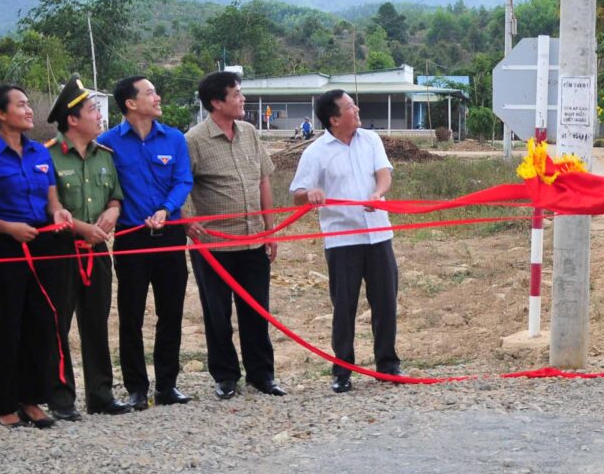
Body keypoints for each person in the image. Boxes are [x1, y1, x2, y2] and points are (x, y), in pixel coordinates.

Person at [0, 84, 73, 429]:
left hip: (43, 242)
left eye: (29, 105)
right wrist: (10, 228)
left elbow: (52, 201)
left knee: (40, 323)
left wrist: (58, 214)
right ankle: (4, 404)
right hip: (7, 244)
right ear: (0, 113)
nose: (29, 111)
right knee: (7, 324)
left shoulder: (41, 152)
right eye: (22, 105)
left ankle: (31, 399)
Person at [291, 89, 400, 393]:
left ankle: (388, 366)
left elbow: (384, 174)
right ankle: (343, 369)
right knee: (344, 306)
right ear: (334, 119)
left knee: (385, 302)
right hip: (342, 241)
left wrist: (378, 194)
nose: (357, 110)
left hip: (378, 234)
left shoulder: (371, 140)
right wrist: (309, 195)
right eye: (350, 107)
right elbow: (298, 194)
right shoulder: (316, 152)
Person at [98, 76, 195, 409]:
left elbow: (184, 180)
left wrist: (166, 210)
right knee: (131, 314)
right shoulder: (107, 143)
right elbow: (106, 188)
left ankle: (167, 385)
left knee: (171, 313)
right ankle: (136, 387)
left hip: (169, 234)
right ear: (130, 103)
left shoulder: (174, 139)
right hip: (131, 238)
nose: (157, 97)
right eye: (150, 92)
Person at [186, 71, 283, 399]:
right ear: (216, 102)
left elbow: (263, 180)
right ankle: (226, 376)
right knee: (218, 313)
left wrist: (271, 231)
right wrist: (188, 221)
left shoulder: (250, 133)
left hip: (253, 239)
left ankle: (262, 375)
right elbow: (182, 186)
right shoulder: (194, 140)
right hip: (213, 245)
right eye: (236, 95)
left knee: (257, 309)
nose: (242, 100)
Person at [45, 77, 131, 418]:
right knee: (59, 325)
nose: (99, 116)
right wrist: (83, 228)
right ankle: (61, 399)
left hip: (97, 253)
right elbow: (45, 207)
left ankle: (101, 395)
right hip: (62, 252)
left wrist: (112, 211)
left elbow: (115, 196)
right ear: (72, 120)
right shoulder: (47, 155)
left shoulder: (104, 156)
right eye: (93, 110)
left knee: (96, 323)